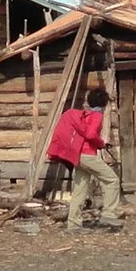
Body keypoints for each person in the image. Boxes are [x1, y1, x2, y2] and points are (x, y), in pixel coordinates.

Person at [47, 85, 123, 231]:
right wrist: (101, 143)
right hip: (88, 156)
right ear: (104, 103)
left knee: (80, 189)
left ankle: (74, 224)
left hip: (77, 155)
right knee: (112, 180)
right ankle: (109, 215)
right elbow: (90, 135)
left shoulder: (85, 115)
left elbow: (85, 134)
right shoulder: (97, 116)